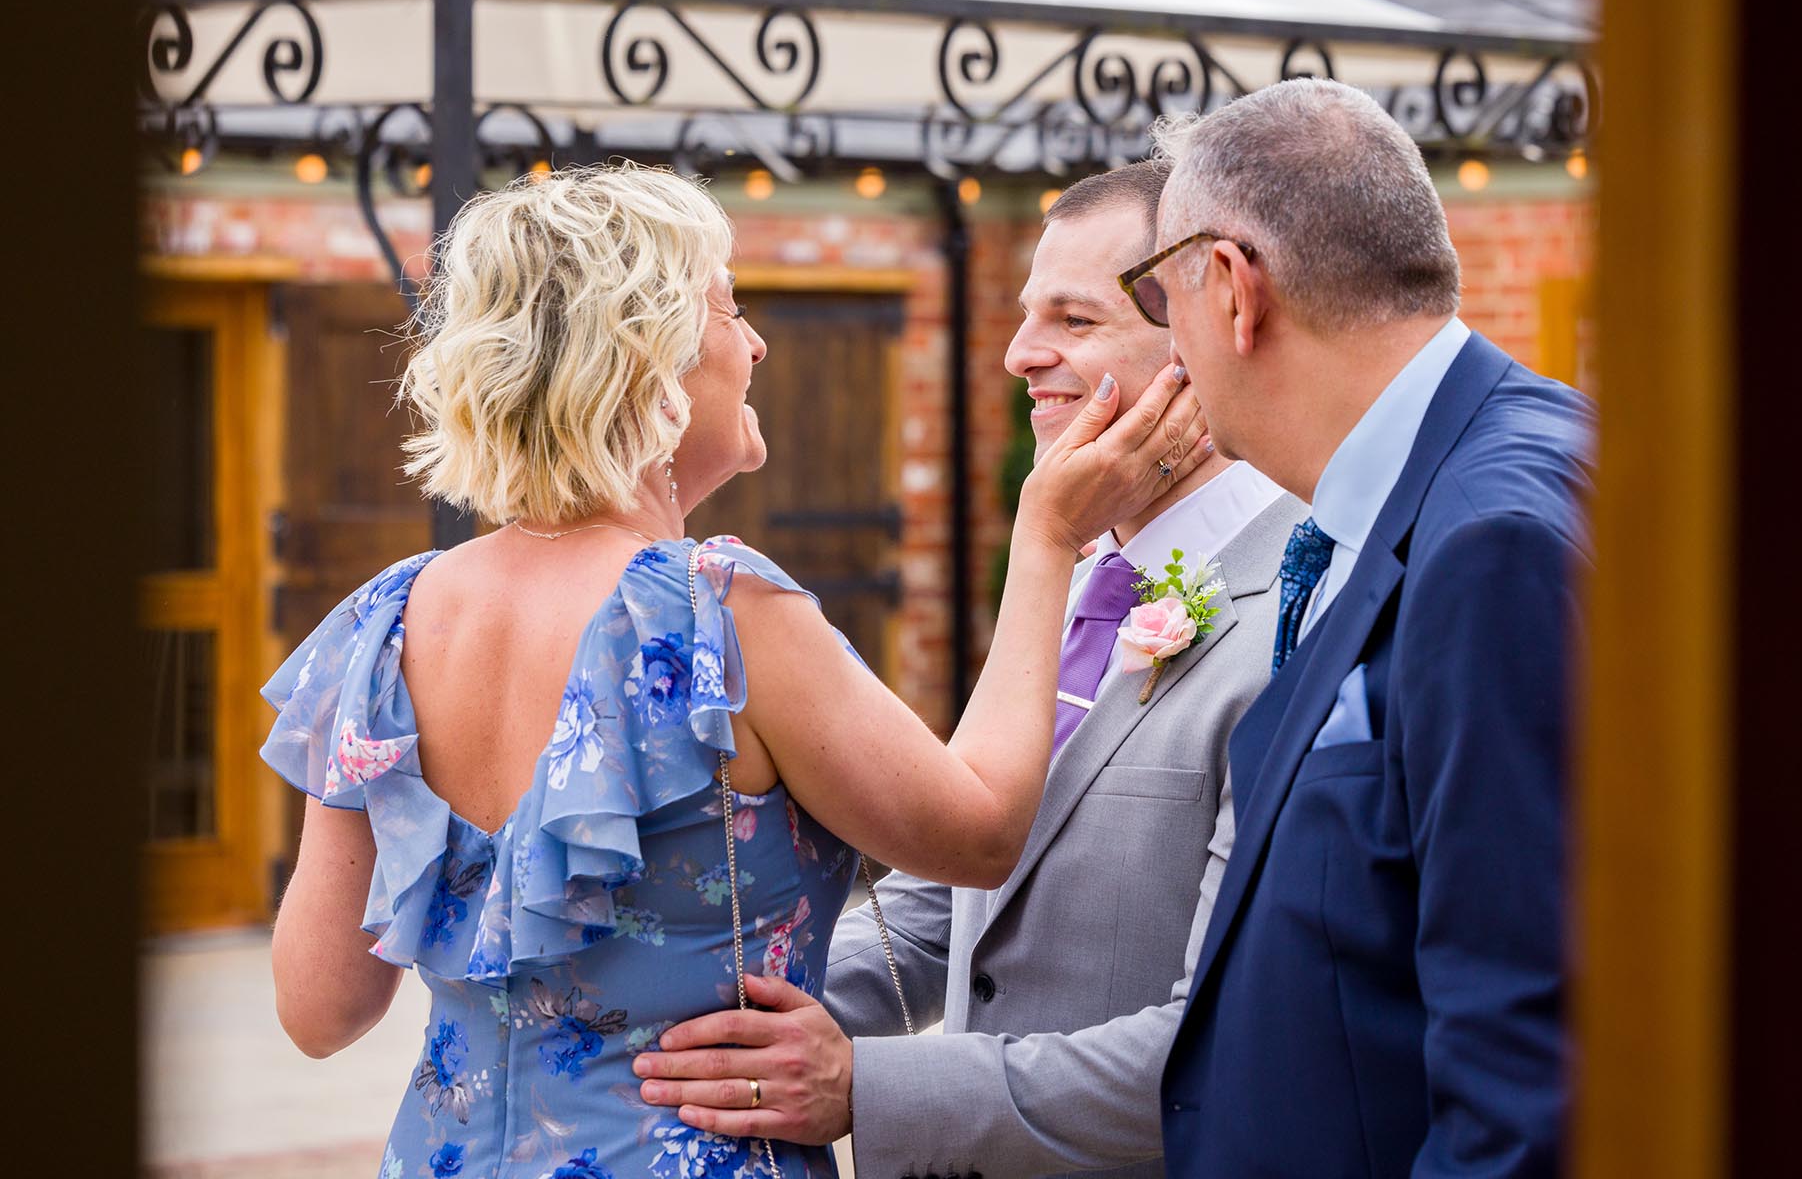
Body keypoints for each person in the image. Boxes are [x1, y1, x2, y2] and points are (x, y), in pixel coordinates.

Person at [260, 164, 1212, 1179]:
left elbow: (320, 1009)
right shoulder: (718, 613)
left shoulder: (384, 622)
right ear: (649, 358)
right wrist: (1045, 539)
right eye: (730, 308)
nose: (755, 344)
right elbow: (978, 831)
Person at [629, 161, 1308, 1179]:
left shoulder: (1301, 622)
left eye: (1073, 319)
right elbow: (959, 900)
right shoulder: (1084, 575)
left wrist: (866, 1086)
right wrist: (722, 1010)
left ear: (1206, 332)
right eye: (1030, 314)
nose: (1019, 354)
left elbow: (1229, 1039)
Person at [1133, 79, 1594, 1176]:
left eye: (1160, 301)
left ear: (1235, 289)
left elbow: (1526, 1073)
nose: (1169, 354)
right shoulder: (1440, 486)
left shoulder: (1492, 542)